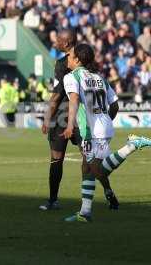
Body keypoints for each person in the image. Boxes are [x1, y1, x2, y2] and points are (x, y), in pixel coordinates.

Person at [61, 43, 151, 222]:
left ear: (78, 59)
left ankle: (132, 146)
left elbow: (74, 99)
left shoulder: (72, 77)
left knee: (98, 170)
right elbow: (115, 104)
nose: (67, 59)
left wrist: (70, 125)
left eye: (70, 56)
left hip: (91, 131)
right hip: (104, 126)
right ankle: (85, 213)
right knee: (87, 168)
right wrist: (105, 120)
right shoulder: (99, 78)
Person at [40, 30, 118, 211]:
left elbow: (58, 94)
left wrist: (47, 117)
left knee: (59, 160)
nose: (55, 41)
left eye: (58, 39)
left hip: (68, 117)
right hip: (82, 118)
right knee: (90, 161)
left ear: (66, 43)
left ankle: (53, 201)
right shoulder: (88, 58)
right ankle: (107, 192)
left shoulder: (63, 64)